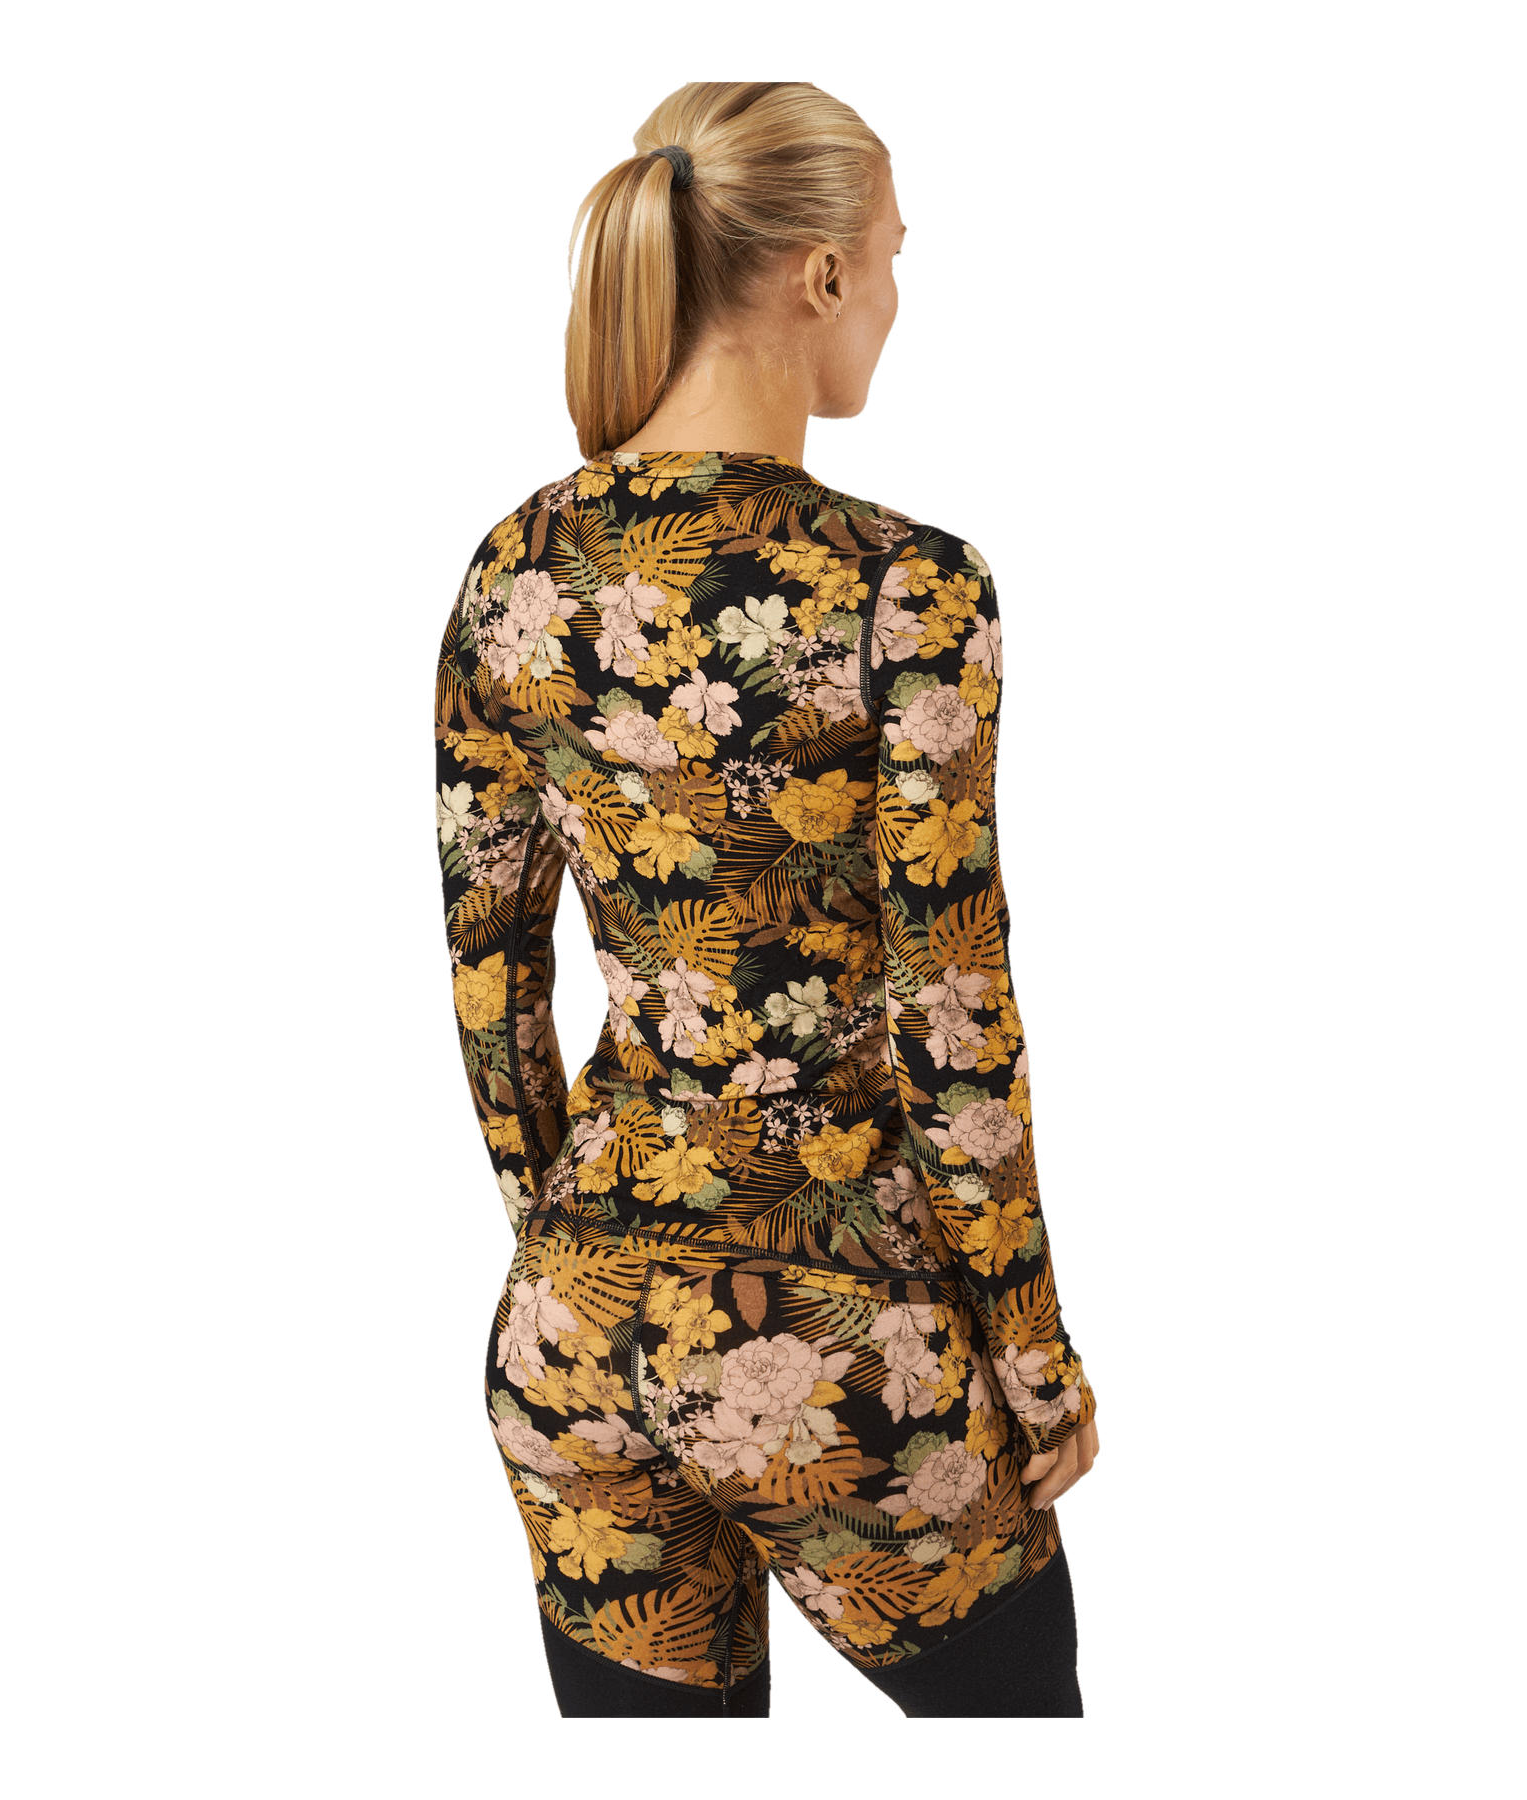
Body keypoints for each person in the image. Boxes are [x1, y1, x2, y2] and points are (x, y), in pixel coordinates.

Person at [432, 79, 1102, 1721]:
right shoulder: (909, 581)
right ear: (820, 274)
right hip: (843, 1331)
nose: (895, 301)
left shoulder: (512, 567)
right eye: (895, 259)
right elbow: (955, 1001)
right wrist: (1033, 1350)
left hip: (571, 1329)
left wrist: (569, 1260)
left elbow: (490, 978)